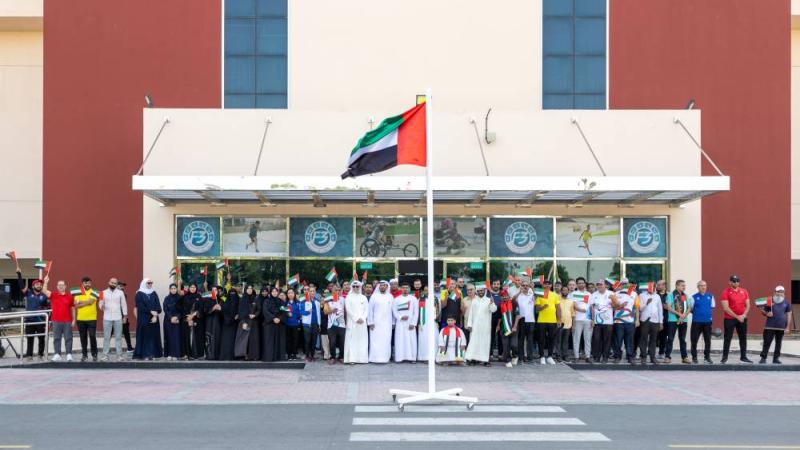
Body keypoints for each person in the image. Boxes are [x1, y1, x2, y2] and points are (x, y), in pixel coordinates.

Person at [16, 266, 49, 361]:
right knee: (30, 339)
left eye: (40, 285)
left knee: (41, 339)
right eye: (37, 284)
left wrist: (46, 282)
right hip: (29, 320)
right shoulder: (28, 293)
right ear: (33, 286)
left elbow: (49, 306)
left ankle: (40, 355)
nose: (39, 285)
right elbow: (22, 286)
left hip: (40, 321)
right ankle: (29, 356)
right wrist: (19, 274)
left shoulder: (44, 296)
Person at [720, 275, 753, 364]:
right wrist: (737, 317)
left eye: (737, 281)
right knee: (728, 338)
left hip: (742, 318)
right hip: (729, 319)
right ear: (729, 282)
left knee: (743, 338)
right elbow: (726, 308)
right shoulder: (725, 292)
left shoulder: (744, 291)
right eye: (733, 281)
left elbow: (748, 305)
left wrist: (744, 315)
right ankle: (724, 357)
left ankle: (743, 357)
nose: (736, 283)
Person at [42, 276, 74, 362]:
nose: (60, 286)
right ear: (57, 287)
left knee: (68, 338)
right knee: (56, 338)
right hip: (56, 320)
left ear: (65, 286)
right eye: (59, 285)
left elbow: (72, 308)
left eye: (62, 285)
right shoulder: (53, 295)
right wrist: (45, 282)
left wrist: (74, 319)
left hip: (67, 320)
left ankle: (69, 354)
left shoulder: (70, 297)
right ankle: (57, 354)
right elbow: (44, 291)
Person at [464, 282, 497, 366]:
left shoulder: (489, 300)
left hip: (485, 327)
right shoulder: (474, 301)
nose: (481, 292)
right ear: (477, 292)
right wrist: (469, 325)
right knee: (474, 343)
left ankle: (485, 360)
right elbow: (471, 314)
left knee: (484, 343)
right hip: (475, 327)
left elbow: (493, 310)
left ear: (485, 291)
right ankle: (473, 359)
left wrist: (492, 303)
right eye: (479, 291)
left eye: (482, 291)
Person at [759, 285, 792, 364]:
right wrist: (767, 313)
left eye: (781, 292)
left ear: (784, 293)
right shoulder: (769, 300)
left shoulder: (787, 302)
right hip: (769, 326)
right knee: (767, 342)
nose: (779, 293)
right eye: (778, 292)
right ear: (774, 292)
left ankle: (776, 358)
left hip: (781, 327)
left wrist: (787, 327)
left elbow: (789, 314)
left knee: (778, 343)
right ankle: (763, 358)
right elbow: (762, 311)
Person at [133, 278, 163, 360]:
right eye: (148, 283)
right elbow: (140, 306)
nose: (150, 284)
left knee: (153, 336)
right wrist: (151, 312)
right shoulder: (139, 294)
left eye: (151, 283)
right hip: (144, 319)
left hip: (154, 319)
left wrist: (155, 315)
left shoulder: (154, 293)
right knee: (144, 336)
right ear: (144, 284)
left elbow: (158, 306)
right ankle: (144, 354)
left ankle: (152, 354)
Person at [99, 277, 127, 361]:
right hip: (107, 318)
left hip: (118, 317)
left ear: (116, 284)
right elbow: (100, 303)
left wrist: (125, 316)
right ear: (109, 282)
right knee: (106, 337)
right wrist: (101, 306)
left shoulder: (120, 293)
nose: (113, 284)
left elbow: (124, 305)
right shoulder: (102, 292)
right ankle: (105, 355)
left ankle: (119, 356)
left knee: (118, 337)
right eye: (112, 282)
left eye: (115, 283)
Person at [611, 279, 638, 364]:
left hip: (630, 321)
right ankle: (617, 357)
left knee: (629, 340)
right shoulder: (615, 294)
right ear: (620, 285)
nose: (625, 285)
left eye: (626, 283)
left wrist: (637, 320)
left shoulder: (634, 294)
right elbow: (613, 308)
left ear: (629, 284)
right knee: (618, 340)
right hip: (618, 322)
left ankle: (630, 357)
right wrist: (620, 305)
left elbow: (637, 308)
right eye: (623, 284)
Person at [663, 280, 690, 364]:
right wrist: (679, 314)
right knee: (670, 338)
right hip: (673, 320)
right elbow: (669, 307)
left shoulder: (685, 295)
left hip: (683, 320)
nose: (684, 287)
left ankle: (684, 357)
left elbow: (689, 307)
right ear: (677, 286)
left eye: (684, 286)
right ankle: (667, 357)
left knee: (682, 339)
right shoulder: (671, 295)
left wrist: (684, 316)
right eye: (682, 285)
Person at [535, 280, 561, 365]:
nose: (547, 285)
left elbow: (558, 308)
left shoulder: (555, 295)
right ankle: (542, 356)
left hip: (552, 321)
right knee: (541, 339)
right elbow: (537, 309)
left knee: (551, 339)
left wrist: (559, 319)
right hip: (541, 320)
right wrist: (543, 307)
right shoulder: (539, 294)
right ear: (543, 285)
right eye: (545, 284)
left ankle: (550, 357)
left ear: (550, 285)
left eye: (548, 284)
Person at [74, 276, 99, 362]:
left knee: (92, 336)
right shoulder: (78, 292)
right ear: (82, 284)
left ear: (90, 283)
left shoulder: (95, 291)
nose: (87, 284)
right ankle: (84, 355)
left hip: (92, 318)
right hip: (80, 319)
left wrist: (81, 302)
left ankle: (94, 354)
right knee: (83, 337)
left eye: (88, 282)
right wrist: (87, 302)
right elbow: (76, 306)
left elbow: (91, 302)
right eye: (85, 282)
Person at [392, 282, 419, 363]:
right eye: (403, 287)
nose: (405, 289)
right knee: (400, 340)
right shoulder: (397, 299)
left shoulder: (413, 299)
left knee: (411, 340)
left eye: (407, 288)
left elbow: (416, 312)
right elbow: (394, 311)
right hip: (400, 323)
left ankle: (412, 358)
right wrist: (400, 317)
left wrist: (413, 323)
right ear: (401, 288)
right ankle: (399, 358)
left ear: (409, 289)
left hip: (410, 323)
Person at [368, 280, 394, 363]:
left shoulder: (390, 296)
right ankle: (374, 358)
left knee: (386, 341)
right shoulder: (374, 296)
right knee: (375, 341)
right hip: (376, 323)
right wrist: (370, 322)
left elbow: (393, 311)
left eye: (384, 285)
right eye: (381, 285)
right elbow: (370, 310)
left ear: (387, 287)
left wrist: (393, 323)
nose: (382, 287)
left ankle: (385, 358)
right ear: (379, 286)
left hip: (387, 324)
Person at [638, 282, 663, 364]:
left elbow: (660, 310)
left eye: (652, 288)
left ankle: (652, 357)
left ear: (655, 288)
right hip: (645, 320)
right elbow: (640, 309)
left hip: (655, 321)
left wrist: (661, 322)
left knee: (653, 340)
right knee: (643, 339)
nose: (651, 290)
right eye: (649, 288)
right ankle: (643, 357)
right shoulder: (642, 295)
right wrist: (646, 303)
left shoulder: (657, 296)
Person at [690, 280, 715, 364]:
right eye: (701, 285)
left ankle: (707, 357)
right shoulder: (693, 297)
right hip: (696, 322)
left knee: (707, 340)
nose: (703, 287)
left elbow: (712, 307)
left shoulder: (710, 296)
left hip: (707, 322)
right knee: (694, 340)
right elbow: (691, 309)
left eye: (704, 285)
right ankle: (694, 357)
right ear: (698, 287)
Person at [343, 281, 368, 364]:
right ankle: (351, 359)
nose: (355, 288)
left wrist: (363, 318)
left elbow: (366, 310)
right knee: (352, 341)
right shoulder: (348, 297)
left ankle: (362, 359)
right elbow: (348, 310)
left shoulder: (363, 297)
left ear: (360, 287)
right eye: (354, 286)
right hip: (352, 322)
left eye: (357, 286)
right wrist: (356, 318)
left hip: (362, 323)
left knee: (362, 340)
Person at [590, 279, 614, 364]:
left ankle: (605, 357)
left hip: (608, 322)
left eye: (601, 284)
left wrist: (613, 300)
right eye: (598, 285)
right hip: (597, 322)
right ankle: (596, 357)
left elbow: (615, 306)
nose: (599, 286)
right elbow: (592, 308)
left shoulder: (611, 293)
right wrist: (592, 319)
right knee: (597, 340)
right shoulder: (593, 295)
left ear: (605, 285)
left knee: (607, 340)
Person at [234, 285, 261, 361]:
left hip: (254, 321)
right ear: (245, 290)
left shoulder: (255, 299)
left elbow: (259, 309)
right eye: (248, 288)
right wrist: (243, 322)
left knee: (254, 339)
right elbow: (240, 311)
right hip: (245, 321)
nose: (250, 290)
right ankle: (244, 355)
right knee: (245, 340)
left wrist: (254, 315)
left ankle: (254, 355)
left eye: (251, 288)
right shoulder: (242, 299)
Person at [261, 286, 286, 362]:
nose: (274, 293)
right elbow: (265, 311)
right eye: (273, 291)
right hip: (269, 324)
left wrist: (279, 318)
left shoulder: (281, 301)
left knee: (279, 341)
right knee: (269, 341)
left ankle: (279, 357)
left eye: (276, 291)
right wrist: (273, 318)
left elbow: (284, 311)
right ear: (270, 293)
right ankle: (269, 357)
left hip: (279, 324)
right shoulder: (266, 301)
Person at [514, 277, 536, 362]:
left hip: (531, 320)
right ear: (521, 286)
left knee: (530, 339)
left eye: (527, 285)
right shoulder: (518, 296)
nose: (525, 287)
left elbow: (537, 298)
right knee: (521, 339)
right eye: (523, 285)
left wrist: (532, 288)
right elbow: (512, 300)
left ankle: (530, 357)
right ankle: (521, 356)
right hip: (521, 320)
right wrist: (520, 291)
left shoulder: (531, 295)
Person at [497, 290, 521, 368]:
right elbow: (499, 317)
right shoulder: (500, 305)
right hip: (504, 329)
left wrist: (515, 326)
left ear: (508, 296)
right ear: (501, 297)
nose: (504, 297)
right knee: (505, 345)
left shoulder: (514, 303)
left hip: (514, 328)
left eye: (506, 295)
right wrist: (498, 326)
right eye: (503, 296)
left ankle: (515, 356)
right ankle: (507, 360)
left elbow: (517, 316)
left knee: (514, 345)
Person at [571, 277, 592, 362]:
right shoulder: (574, 294)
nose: (581, 284)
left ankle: (588, 356)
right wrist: (580, 310)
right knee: (576, 339)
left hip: (588, 320)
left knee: (588, 339)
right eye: (579, 283)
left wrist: (593, 319)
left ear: (585, 284)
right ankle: (576, 357)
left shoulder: (589, 294)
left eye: (582, 283)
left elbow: (591, 307)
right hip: (577, 319)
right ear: (577, 284)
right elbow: (573, 305)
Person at [182, 283, 204, 359]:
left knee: (197, 337)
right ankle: (189, 355)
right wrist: (188, 318)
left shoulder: (199, 297)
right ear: (189, 288)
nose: (192, 288)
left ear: (196, 288)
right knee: (188, 337)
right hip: (188, 320)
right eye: (191, 287)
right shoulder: (185, 297)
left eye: (194, 287)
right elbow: (183, 309)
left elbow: (201, 308)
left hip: (197, 320)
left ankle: (198, 355)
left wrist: (193, 315)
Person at [417, 285, 439, 362]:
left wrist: (437, 321)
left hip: (433, 323)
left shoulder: (435, 299)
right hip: (423, 323)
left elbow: (438, 312)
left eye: (429, 290)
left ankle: (433, 356)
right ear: (423, 291)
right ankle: (423, 357)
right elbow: (418, 312)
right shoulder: (420, 299)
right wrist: (419, 322)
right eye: (425, 290)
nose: (427, 292)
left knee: (433, 339)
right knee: (423, 340)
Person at [219, 282, 239, 361]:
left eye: (234, 293)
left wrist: (238, 315)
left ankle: (234, 356)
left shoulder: (239, 300)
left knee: (234, 340)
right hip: (226, 324)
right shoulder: (225, 301)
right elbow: (223, 311)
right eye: (231, 293)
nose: (233, 294)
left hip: (235, 324)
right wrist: (228, 319)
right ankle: (224, 356)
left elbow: (240, 310)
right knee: (226, 341)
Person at [300, 286, 321, 362]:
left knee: (314, 340)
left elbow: (319, 314)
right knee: (307, 340)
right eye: (310, 291)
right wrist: (307, 312)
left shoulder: (317, 302)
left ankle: (312, 355)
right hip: (307, 324)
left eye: (313, 291)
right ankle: (307, 355)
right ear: (308, 292)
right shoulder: (304, 301)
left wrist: (319, 324)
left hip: (315, 324)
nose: (312, 292)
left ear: (315, 293)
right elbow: (300, 312)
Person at [162, 283, 182, 361]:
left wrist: (177, 317)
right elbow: (165, 309)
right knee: (169, 337)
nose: (173, 290)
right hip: (168, 320)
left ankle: (175, 354)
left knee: (176, 337)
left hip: (177, 320)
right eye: (172, 289)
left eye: (175, 288)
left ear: (177, 289)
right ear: (170, 290)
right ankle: (169, 353)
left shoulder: (180, 298)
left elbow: (181, 310)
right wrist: (171, 318)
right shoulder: (167, 298)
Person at [204, 286, 224, 360]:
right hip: (209, 322)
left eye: (216, 290)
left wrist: (221, 309)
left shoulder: (221, 300)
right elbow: (205, 311)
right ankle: (209, 355)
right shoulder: (207, 300)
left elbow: (224, 312)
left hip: (218, 322)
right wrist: (213, 308)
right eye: (213, 290)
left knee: (217, 338)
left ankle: (217, 355)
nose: (215, 291)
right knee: (209, 338)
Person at [556, 286, 573, 362]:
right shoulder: (557, 299)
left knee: (565, 341)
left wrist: (573, 324)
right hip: (559, 323)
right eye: (563, 290)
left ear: (568, 292)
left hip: (568, 323)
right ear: (561, 291)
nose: (565, 292)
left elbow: (572, 313)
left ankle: (565, 355)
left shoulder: (571, 301)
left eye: (566, 290)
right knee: (558, 340)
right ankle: (558, 355)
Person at [286, 288, 302, 360]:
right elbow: (282, 311)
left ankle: (294, 354)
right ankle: (289, 354)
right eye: (289, 293)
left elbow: (300, 313)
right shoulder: (285, 303)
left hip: (296, 324)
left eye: (292, 293)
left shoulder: (298, 302)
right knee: (289, 340)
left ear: (294, 294)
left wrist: (299, 320)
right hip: (287, 324)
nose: (290, 294)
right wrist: (287, 313)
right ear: (287, 294)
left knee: (295, 340)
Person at [489, 279, 504, 360]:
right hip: (490, 319)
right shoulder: (488, 294)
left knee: (500, 337)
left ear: (499, 285)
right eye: (494, 284)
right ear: (492, 285)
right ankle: (490, 354)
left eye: (498, 284)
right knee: (490, 337)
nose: (496, 285)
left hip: (500, 319)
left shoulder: (503, 294)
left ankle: (501, 354)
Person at [655, 280, 669, 359]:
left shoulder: (669, 295)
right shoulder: (655, 295)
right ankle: (650, 352)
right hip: (655, 319)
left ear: (664, 286)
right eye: (657, 285)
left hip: (666, 319)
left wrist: (666, 306)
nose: (658, 286)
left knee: (663, 337)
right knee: (654, 337)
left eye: (659, 285)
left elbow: (671, 306)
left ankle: (661, 352)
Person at [118, 281, 133, 353]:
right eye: (120, 286)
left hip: (123, 316)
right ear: (117, 286)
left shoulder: (124, 295)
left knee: (126, 332)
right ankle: (106, 348)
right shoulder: (114, 294)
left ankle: (129, 348)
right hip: (114, 317)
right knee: (110, 332)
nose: (122, 287)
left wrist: (125, 316)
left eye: (123, 286)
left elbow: (124, 306)